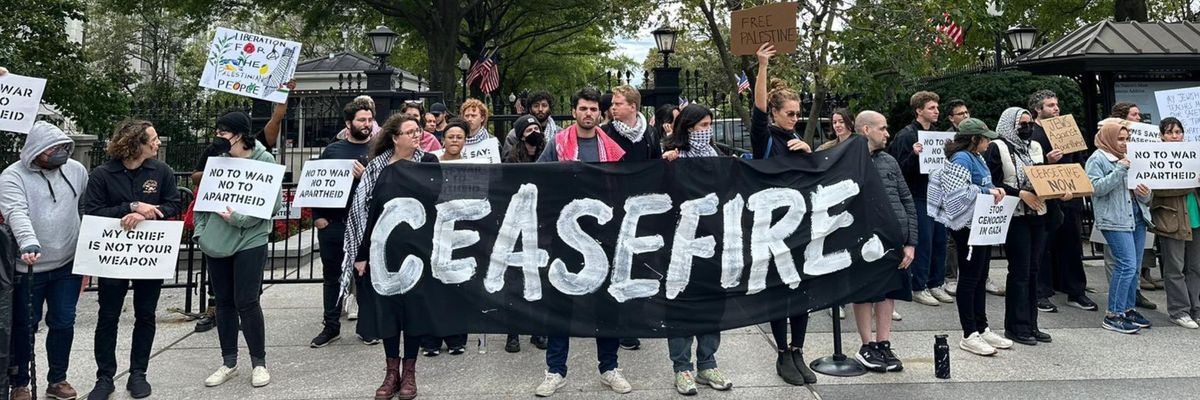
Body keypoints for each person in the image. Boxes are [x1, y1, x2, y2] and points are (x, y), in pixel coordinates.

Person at [534, 87, 630, 397]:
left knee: (606, 305)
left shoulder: (612, 149)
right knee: (561, 304)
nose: (588, 113)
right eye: (583, 108)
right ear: (574, 111)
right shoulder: (557, 144)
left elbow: (624, 189)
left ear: (600, 114)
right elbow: (538, 179)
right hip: (564, 236)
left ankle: (609, 368)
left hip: (601, 236)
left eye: (593, 109)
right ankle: (555, 370)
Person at [82, 120, 182, 399]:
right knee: (108, 316)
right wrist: (130, 207)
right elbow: (93, 211)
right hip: (113, 258)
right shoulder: (102, 174)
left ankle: (139, 373)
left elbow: (174, 204)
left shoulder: (161, 172)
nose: (157, 143)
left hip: (147, 257)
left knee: (145, 314)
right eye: (153, 138)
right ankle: (104, 377)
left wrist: (149, 212)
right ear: (136, 143)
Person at [342, 114, 437, 400]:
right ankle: (391, 372)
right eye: (409, 132)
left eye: (417, 131)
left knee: (414, 312)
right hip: (383, 251)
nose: (416, 136)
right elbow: (366, 215)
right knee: (388, 313)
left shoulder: (428, 163)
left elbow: (438, 204)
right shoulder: (377, 169)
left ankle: (410, 373)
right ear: (395, 138)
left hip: (417, 252)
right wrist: (360, 256)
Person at [194, 112, 283, 389]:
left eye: (224, 132)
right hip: (216, 241)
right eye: (218, 131)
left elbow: (272, 205)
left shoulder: (264, 160)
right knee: (224, 302)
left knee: (246, 300)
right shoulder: (215, 159)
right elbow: (203, 200)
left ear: (240, 134)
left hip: (250, 239)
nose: (219, 136)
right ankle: (229, 361)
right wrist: (200, 232)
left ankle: (259, 363)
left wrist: (239, 220)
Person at [1, 121, 89, 400]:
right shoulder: (11, 176)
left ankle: (58, 379)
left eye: (63, 147)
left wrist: (87, 258)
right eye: (52, 149)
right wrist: (28, 240)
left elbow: (85, 208)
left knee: (64, 322)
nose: (59, 153)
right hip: (28, 267)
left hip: (67, 264)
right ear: (36, 150)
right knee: (25, 325)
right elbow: (16, 211)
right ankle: (20, 382)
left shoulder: (76, 171)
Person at [657, 104, 734, 394]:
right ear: (688, 128)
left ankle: (707, 363)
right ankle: (682, 368)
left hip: (713, 240)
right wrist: (666, 163)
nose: (707, 132)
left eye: (709, 126)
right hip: (680, 243)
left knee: (713, 302)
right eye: (702, 126)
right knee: (680, 304)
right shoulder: (673, 156)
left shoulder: (716, 156)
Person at [751, 43, 816, 387]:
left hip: (801, 227)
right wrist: (762, 67)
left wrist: (811, 152)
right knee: (780, 290)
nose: (795, 118)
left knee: (802, 290)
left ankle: (798, 350)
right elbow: (758, 109)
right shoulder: (766, 138)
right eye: (789, 113)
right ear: (777, 113)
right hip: (773, 227)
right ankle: (781, 353)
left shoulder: (798, 143)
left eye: (797, 113)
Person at [928, 118, 1013, 356]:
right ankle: (969, 333)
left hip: (980, 223)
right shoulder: (962, 159)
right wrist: (989, 191)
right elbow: (958, 194)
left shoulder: (977, 157)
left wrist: (994, 189)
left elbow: (983, 183)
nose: (988, 142)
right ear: (975, 139)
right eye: (985, 138)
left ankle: (982, 326)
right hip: (967, 226)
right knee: (969, 278)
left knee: (980, 275)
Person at [983, 107, 1064, 346]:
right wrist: (1019, 193)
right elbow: (993, 181)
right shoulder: (997, 147)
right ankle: (1016, 326)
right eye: (1022, 124)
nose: (1027, 128)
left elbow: (1040, 176)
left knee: (1033, 270)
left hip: (1038, 212)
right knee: (1019, 270)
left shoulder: (1035, 148)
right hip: (1014, 215)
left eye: (1029, 123)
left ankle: (1032, 323)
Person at [848, 111, 916, 373]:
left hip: (894, 239)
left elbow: (907, 200)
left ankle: (883, 342)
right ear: (866, 130)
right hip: (863, 240)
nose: (887, 134)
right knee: (865, 292)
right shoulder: (849, 159)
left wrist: (910, 242)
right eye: (883, 128)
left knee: (888, 292)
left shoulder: (890, 161)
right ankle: (867, 345)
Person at [1026, 90, 1105, 312]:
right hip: (1045, 200)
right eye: (1050, 105)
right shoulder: (1031, 133)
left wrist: (1076, 189)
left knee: (1072, 247)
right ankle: (1041, 292)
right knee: (1042, 248)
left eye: (1056, 104)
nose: (1056, 108)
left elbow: (1078, 162)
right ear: (1038, 109)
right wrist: (1047, 160)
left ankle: (1076, 291)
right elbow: (1029, 167)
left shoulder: (1067, 129)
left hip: (1069, 200)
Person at [309, 102, 376, 349]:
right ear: (349, 124)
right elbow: (317, 184)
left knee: (364, 276)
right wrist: (317, 216)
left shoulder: (378, 150)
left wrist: (365, 176)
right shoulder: (332, 151)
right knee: (332, 277)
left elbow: (386, 186)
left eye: (369, 119)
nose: (366, 124)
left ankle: (367, 327)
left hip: (365, 224)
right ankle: (331, 326)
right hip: (334, 224)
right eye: (361, 120)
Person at [1087, 121, 1154, 334]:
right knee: (1125, 265)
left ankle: (1127, 308)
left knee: (1134, 267)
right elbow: (1096, 188)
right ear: (1108, 138)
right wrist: (1120, 169)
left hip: (1136, 216)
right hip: (1114, 219)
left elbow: (1146, 194)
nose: (1125, 143)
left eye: (1127, 139)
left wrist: (1145, 194)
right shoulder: (1097, 159)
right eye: (1120, 139)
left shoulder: (1132, 158)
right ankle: (1113, 314)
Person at [888, 91, 954, 307]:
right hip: (918, 195)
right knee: (923, 241)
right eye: (931, 108)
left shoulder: (938, 135)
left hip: (938, 194)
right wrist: (914, 156)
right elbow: (898, 169)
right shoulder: (906, 136)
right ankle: (919, 285)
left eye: (937, 107)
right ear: (919, 110)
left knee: (940, 240)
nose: (936, 111)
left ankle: (936, 282)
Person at [1149, 118, 1200, 329]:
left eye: (1178, 132)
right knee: (1174, 268)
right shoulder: (1154, 157)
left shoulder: (1193, 155)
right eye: (1170, 132)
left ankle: (1196, 308)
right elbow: (1158, 190)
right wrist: (1190, 184)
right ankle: (1179, 311)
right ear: (1161, 135)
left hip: (1195, 218)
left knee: (1195, 267)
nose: (1175, 136)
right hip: (1171, 220)